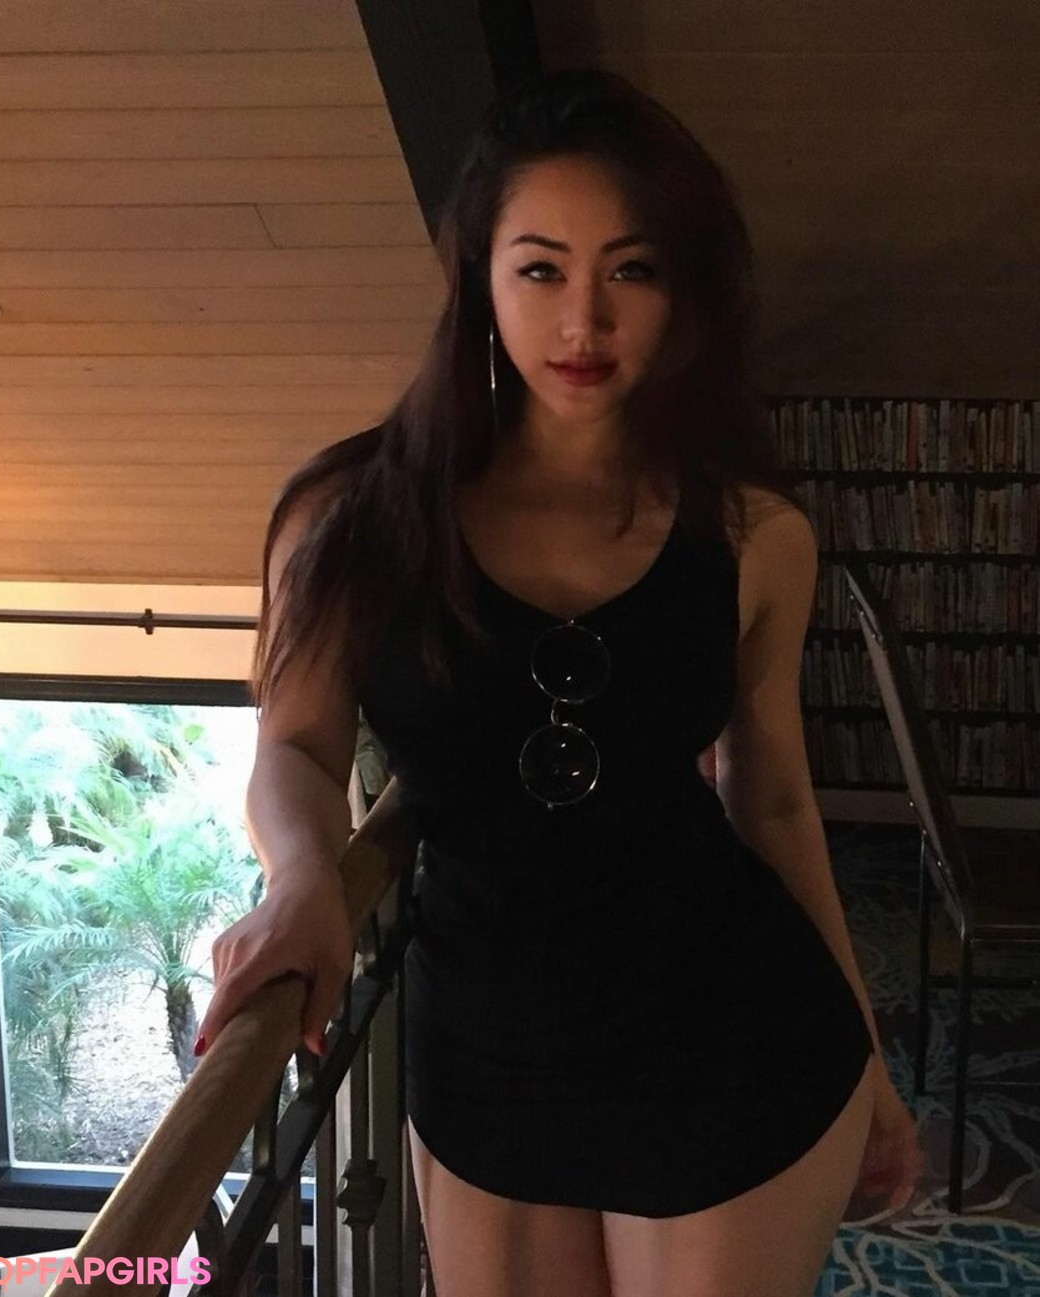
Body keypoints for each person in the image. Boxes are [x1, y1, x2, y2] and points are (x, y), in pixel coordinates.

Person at [196, 69, 924, 1297]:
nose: (584, 319)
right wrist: (306, 876)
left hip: (730, 1039)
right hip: (487, 1053)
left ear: (684, 290)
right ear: (480, 277)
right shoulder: (351, 519)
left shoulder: (756, 536)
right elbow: (297, 748)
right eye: (541, 269)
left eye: (631, 270)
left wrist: (871, 1058)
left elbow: (774, 801)